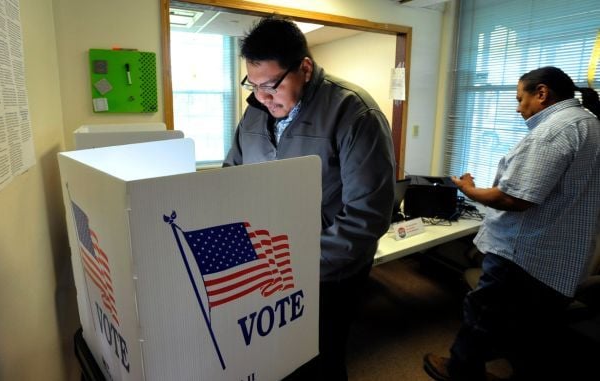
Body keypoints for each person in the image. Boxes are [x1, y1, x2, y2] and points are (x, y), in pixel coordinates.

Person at [223, 16, 395, 380]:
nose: (262, 97)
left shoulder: (353, 112)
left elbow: (368, 215)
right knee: (276, 355)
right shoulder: (254, 112)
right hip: (268, 264)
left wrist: (298, 267)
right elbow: (231, 177)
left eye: (271, 84)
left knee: (320, 360)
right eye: (252, 85)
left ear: (304, 67)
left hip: (329, 272)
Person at [423, 66, 600, 381]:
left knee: (482, 315)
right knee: (530, 333)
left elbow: (513, 199)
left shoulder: (554, 130)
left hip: (523, 253)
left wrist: (468, 189)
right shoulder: (591, 125)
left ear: (542, 93)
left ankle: (460, 371)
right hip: (561, 257)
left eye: (521, 99)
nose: (518, 108)